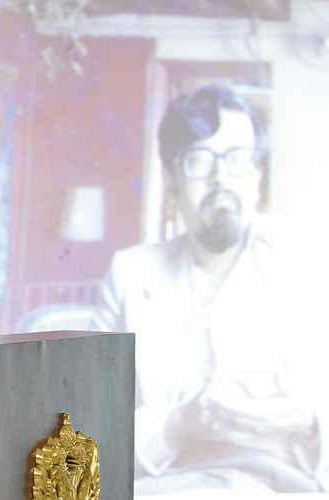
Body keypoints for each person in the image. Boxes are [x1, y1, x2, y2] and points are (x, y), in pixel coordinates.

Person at [92, 84, 327, 493]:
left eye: (238, 159)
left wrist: (310, 422)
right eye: (200, 160)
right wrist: (183, 422)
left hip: (289, 487)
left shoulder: (309, 268)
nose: (221, 179)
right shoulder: (130, 275)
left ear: (256, 176)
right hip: (167, 486)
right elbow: (90, 426)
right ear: (172, 180)